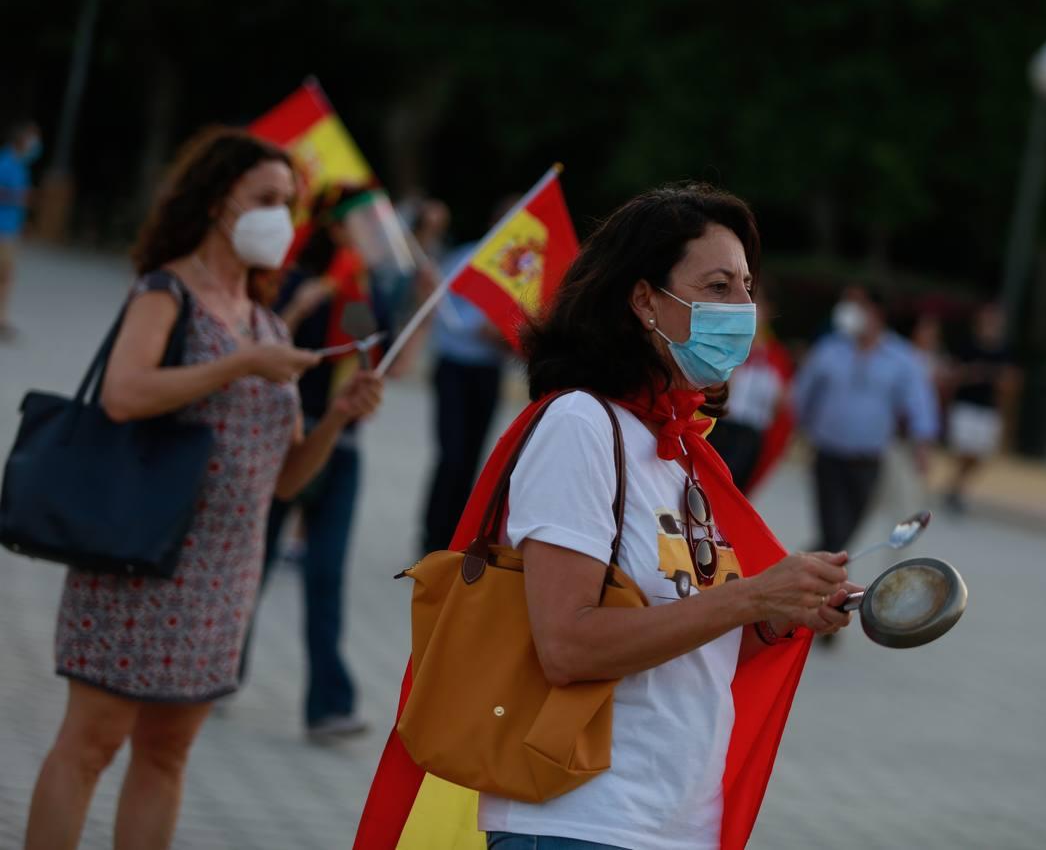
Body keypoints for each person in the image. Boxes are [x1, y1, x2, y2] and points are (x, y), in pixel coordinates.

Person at [365, 183, 857, 849]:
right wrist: (749, 596)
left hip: (675, 821)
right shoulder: (582, 426)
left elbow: (687, 634)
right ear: (644, 299)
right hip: (580, 818)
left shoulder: (682, 448)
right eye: (716, 286)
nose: (741, 309)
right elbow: (566, 646)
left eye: (745, 287)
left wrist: (779, 612)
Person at [24, 128, 382, 850]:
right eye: (268, 200)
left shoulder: (265, 317)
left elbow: (282, 479)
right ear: (220, 202)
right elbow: (124, 395)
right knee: (91, 745)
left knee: (168, 754)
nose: (282, 217)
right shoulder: (167, 291)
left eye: (290, 203)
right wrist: (242, 364)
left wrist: (336, 419)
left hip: (223, 574)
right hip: (136, 551)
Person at [251, 184, 394, 741]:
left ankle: (328, 705)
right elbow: (262, 344)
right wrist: (302, 303)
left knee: (326, 572)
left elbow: (377, 366)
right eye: (363, 221)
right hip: (290, 437)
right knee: (254, 561)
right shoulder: (290, 281)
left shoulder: (360, 292)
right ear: (335, 228)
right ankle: (214, 669)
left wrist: (421, 310)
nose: (375, 231)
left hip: (344, 446)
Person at [793, 285, 940, 559]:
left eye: (857, 304)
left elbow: (919, 405)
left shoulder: (901, 358)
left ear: (876, 312)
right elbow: (803, 393)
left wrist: (922, 447)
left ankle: (805, 569)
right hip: (828, 455)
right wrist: (796, 430)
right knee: (834, 532)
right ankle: (814, 578)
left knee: (844, 534)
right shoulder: (830, 348)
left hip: (868, 461)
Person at [417, 196, 517, 556]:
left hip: (488, 372)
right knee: (452, 454)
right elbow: (443, 313)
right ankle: (432, 537)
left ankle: (455, 537)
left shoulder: (523, 270)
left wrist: (510, 337)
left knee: (474, 458)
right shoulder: (467, 258)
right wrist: (481, 330)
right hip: (455, 369)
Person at [706, 287, 794, 490]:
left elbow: (781, 409)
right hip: (718, 426)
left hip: (749, 436)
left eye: (757, 303)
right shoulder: (722, 344)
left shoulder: (775, 356)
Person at [943, 303, 1018, 514]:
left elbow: (1011, 382)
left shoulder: (1004, 350)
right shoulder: (967, 346)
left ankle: (955, 486)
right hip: (966, 404)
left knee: (981, 454)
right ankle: (956, 489)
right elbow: (952, 374)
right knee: (964, 449)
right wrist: (972, 373)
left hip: (988, 408)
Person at [0, 119, 41, 337]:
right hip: (1, 228)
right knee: (4, 274)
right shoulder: (5, 162)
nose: (35, 144)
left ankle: (1, 318)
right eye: (32, 138)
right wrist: (19, 198)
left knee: (6, 276)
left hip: (11, 228)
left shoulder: (20, 166)